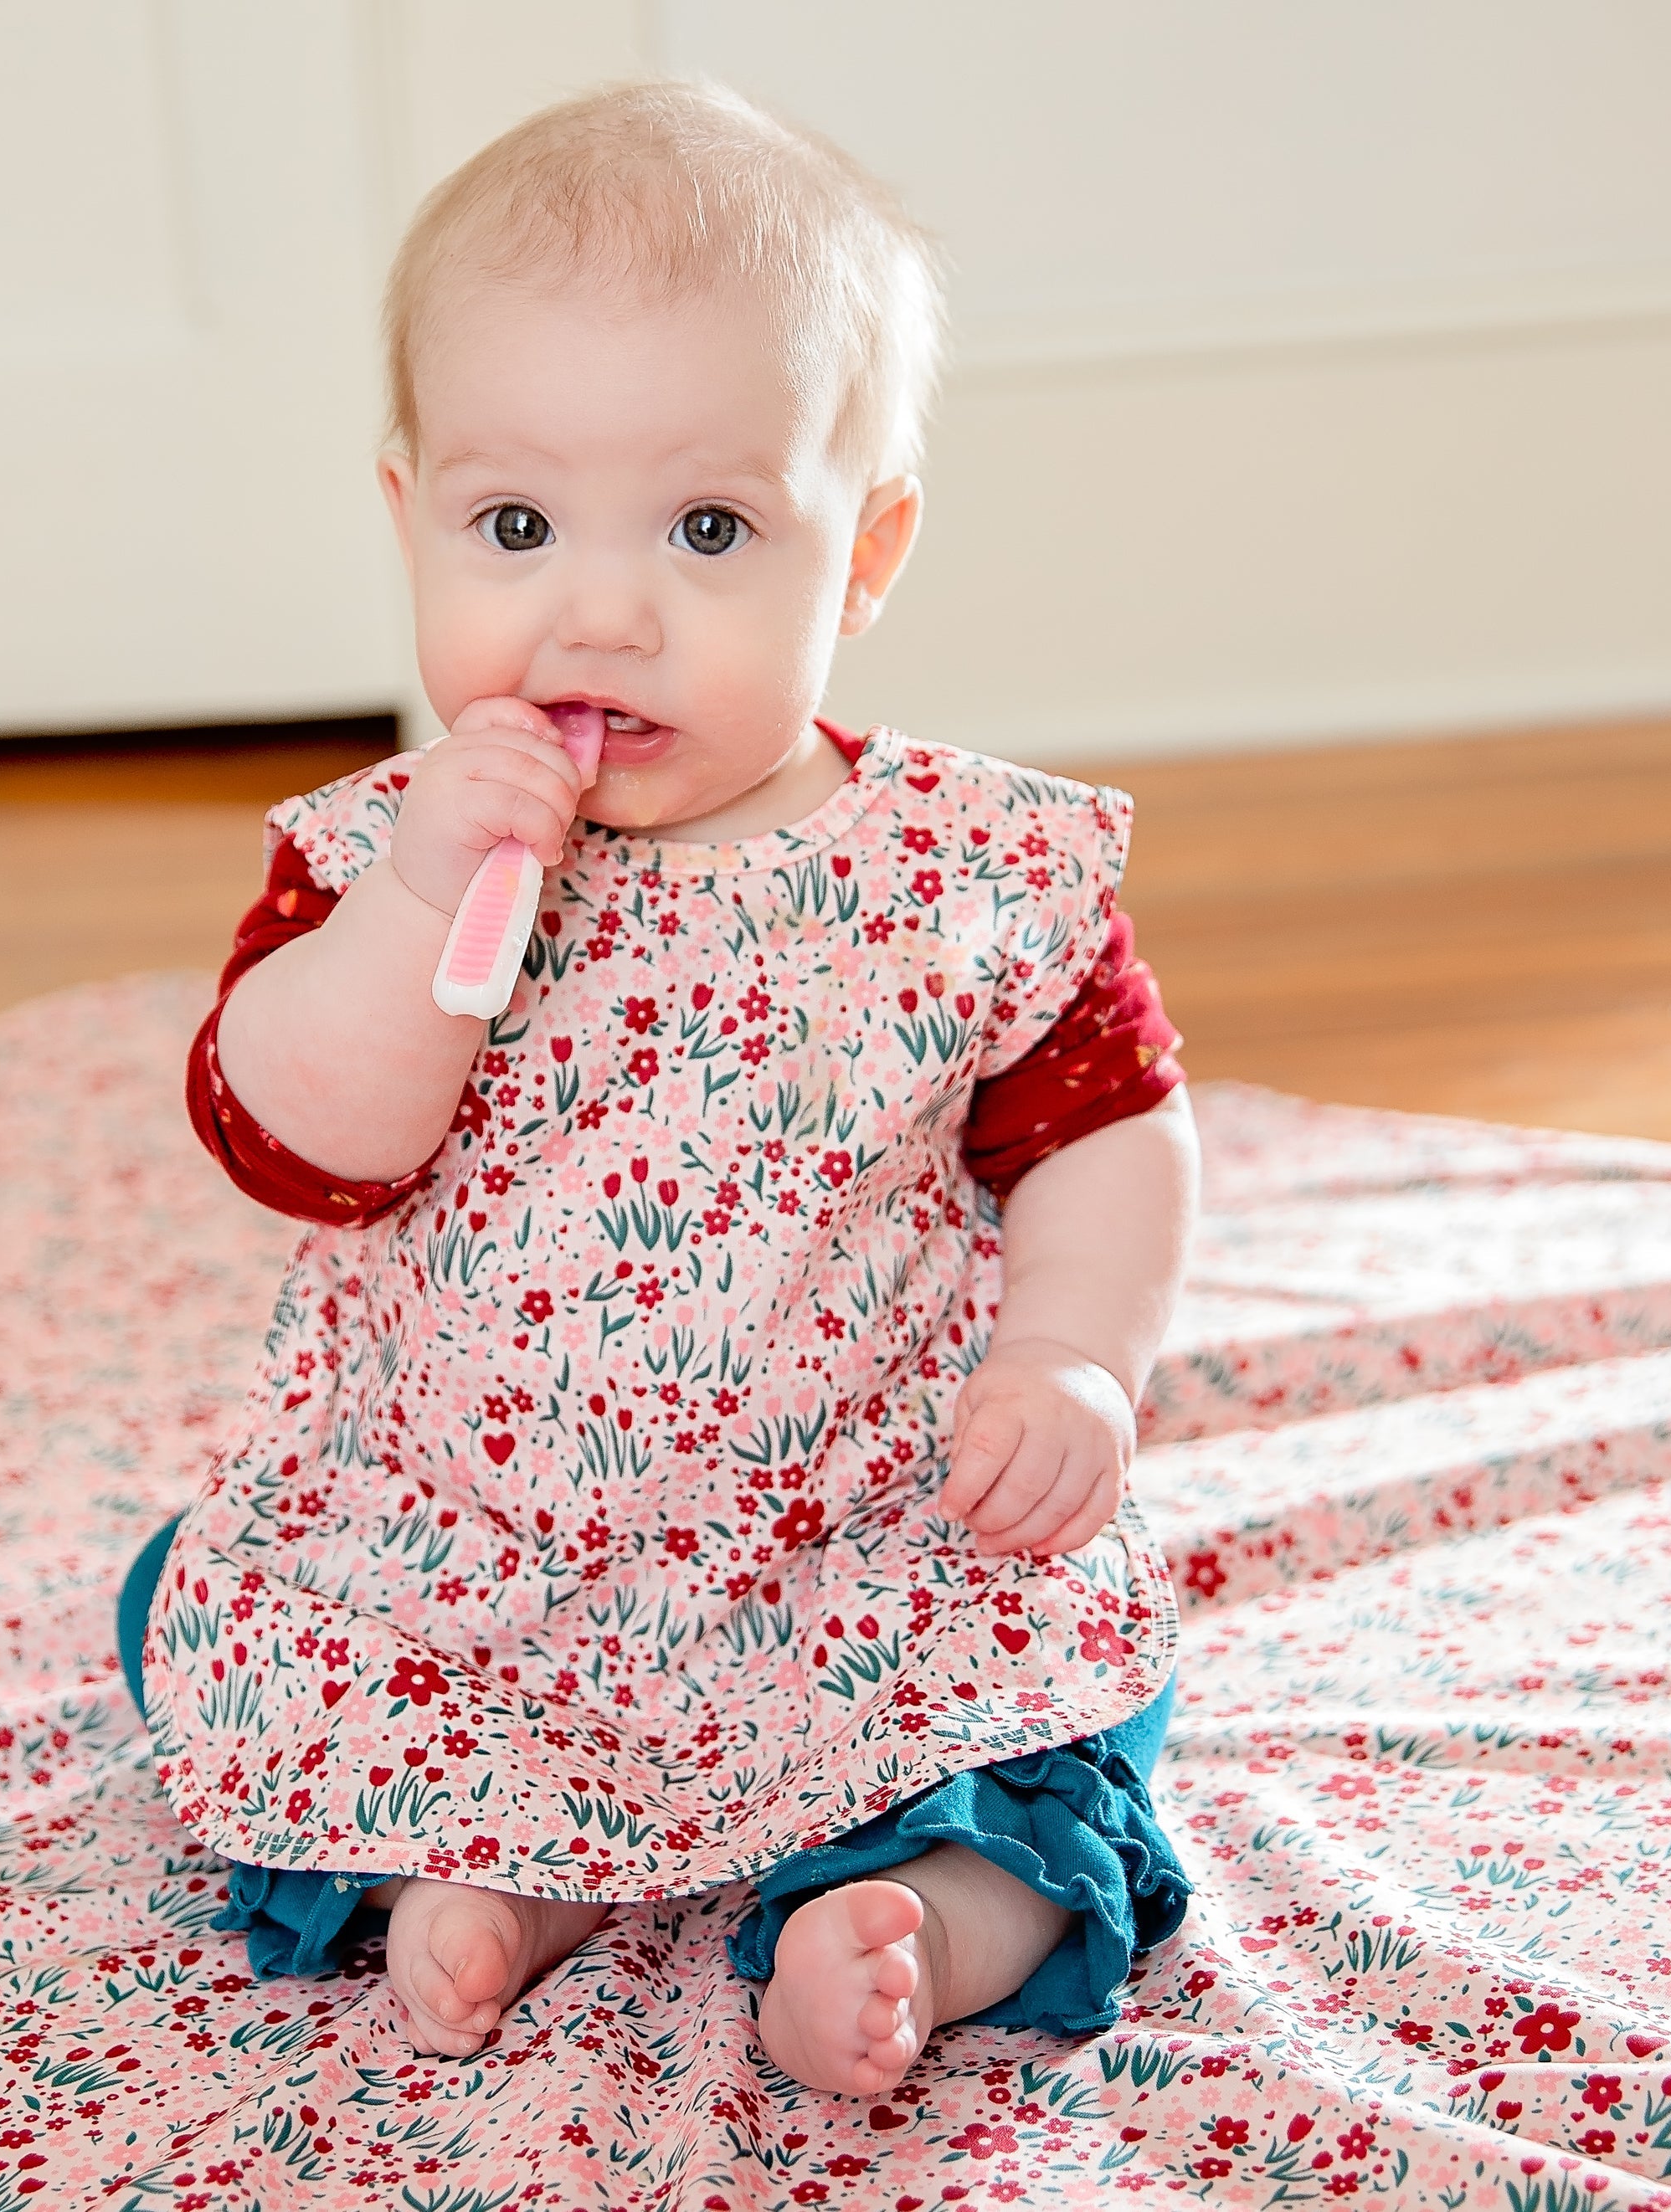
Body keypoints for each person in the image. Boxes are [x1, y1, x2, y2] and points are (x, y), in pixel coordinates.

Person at [120, 80, 1198, 2098]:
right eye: (513, 526)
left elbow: (1110, 1129)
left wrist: (1071, 1354)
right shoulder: (374, 854)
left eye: (707, 529)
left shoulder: (958, 874)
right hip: (473, 1534)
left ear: (860, 552)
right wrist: (433, 897)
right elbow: (299, 1142)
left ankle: (913, 1919)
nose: (597, 609)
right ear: (408, 512)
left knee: (1056, 1703)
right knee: (202, 1602)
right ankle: (496, 1868)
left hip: (854, 1524)